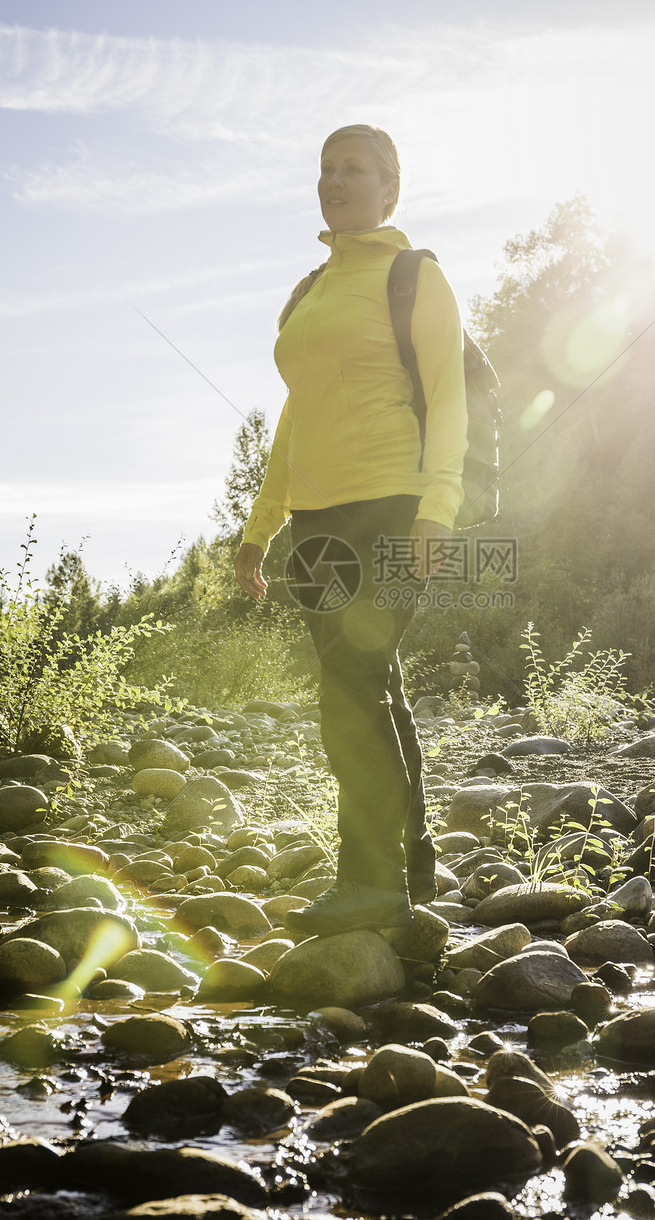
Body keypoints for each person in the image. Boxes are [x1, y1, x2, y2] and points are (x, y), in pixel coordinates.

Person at [233, 124, 467, 935]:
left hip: (393, 508)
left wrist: (439, 509)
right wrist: (260, 528)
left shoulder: (413, 276)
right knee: (372, 680)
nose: (335, 181)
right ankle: (413, 865)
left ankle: (370, 881)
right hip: (317, 521)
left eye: (355, 170)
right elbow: (294, 419)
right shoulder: (309, 290)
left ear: (389, 190)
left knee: (349, 687)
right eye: (326, 169)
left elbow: (449, 398)